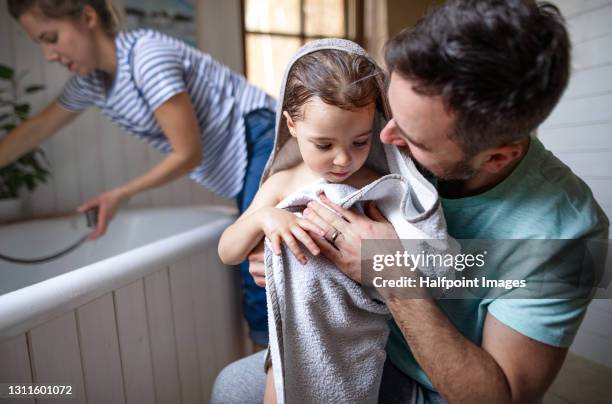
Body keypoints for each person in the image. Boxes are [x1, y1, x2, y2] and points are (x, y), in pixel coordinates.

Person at [212, 0, 609, 403]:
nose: (384, 140)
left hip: (437, 386)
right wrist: (284, 259)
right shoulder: (385, 135)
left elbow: (498, 397)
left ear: (496, 157)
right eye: (389, 114)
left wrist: (391, 276)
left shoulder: (566, 236)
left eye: (413, 139)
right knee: (232, 385)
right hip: (349, 340)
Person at [1, 0, 275, 346]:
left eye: (51, 37)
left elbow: (188, 154)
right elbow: (35, 129)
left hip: (261, 135)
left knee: (257, 259)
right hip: (244, 153)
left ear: (87, 17)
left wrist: (120, 194)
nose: (49, 54)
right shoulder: (91, 83)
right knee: (261, 258)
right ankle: (270, 370)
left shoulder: (146, 57)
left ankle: (274, 374)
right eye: (39, 43)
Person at [217, 47, 385, 404]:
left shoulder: (378, 186)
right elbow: (228, 251)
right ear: (291, 126)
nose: (343, 159)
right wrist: (265, 217)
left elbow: (409, 259)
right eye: (324, 144)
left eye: (360, 141)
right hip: (292, 341)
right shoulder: (282, 183)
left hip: (355, 345)